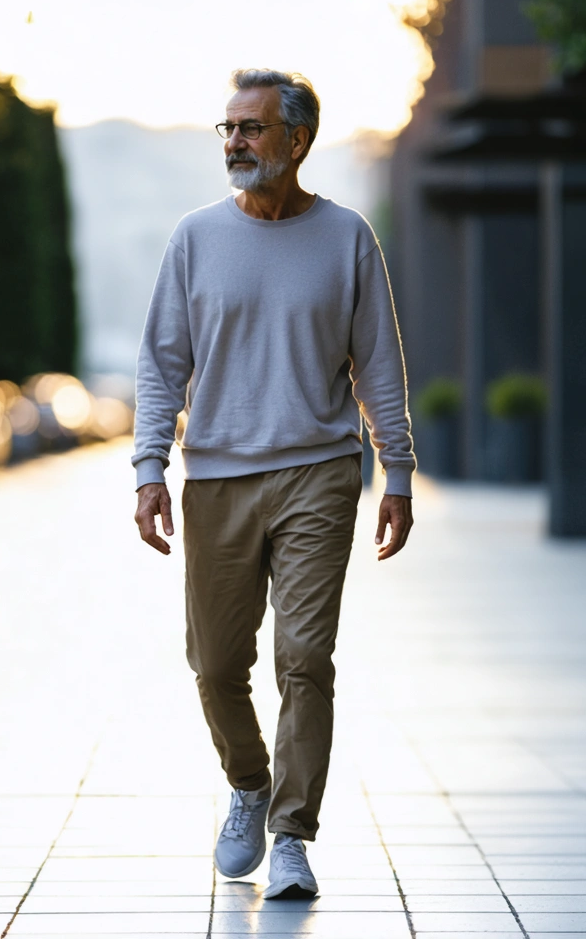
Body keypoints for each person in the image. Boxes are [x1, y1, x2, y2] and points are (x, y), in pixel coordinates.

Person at [132, 68, 415, 899]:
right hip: (217, 475)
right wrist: (149, 467)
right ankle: (250, 784)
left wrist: (395, 468)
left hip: (319, 472)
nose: (235, 143)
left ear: (297, 140)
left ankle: (292, 833)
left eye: (251, 129)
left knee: (304, 656)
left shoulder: (348, 237)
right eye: (228, 129)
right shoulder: (195, 238)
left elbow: (380, 366)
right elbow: (161, 365)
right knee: (216, 663)